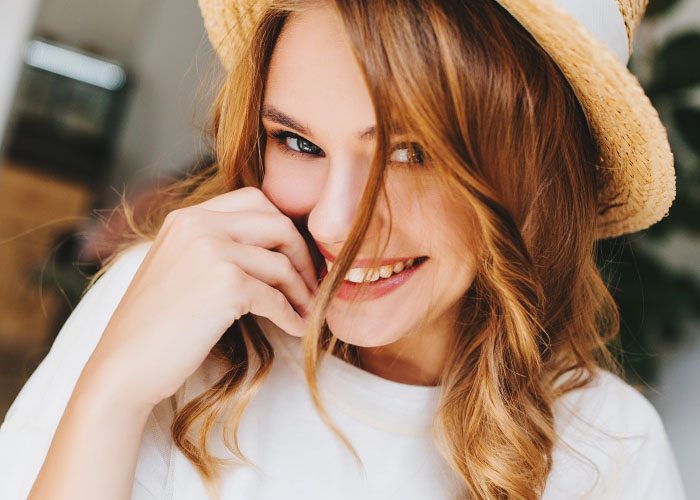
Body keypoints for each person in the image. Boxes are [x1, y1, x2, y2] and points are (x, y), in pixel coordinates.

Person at [0, 0, 687, 498]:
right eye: (298, 142)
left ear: (540, 175)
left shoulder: (613, 446)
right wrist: (112, 393)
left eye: (412, 154)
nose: (333, 222)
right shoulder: (160, 308)